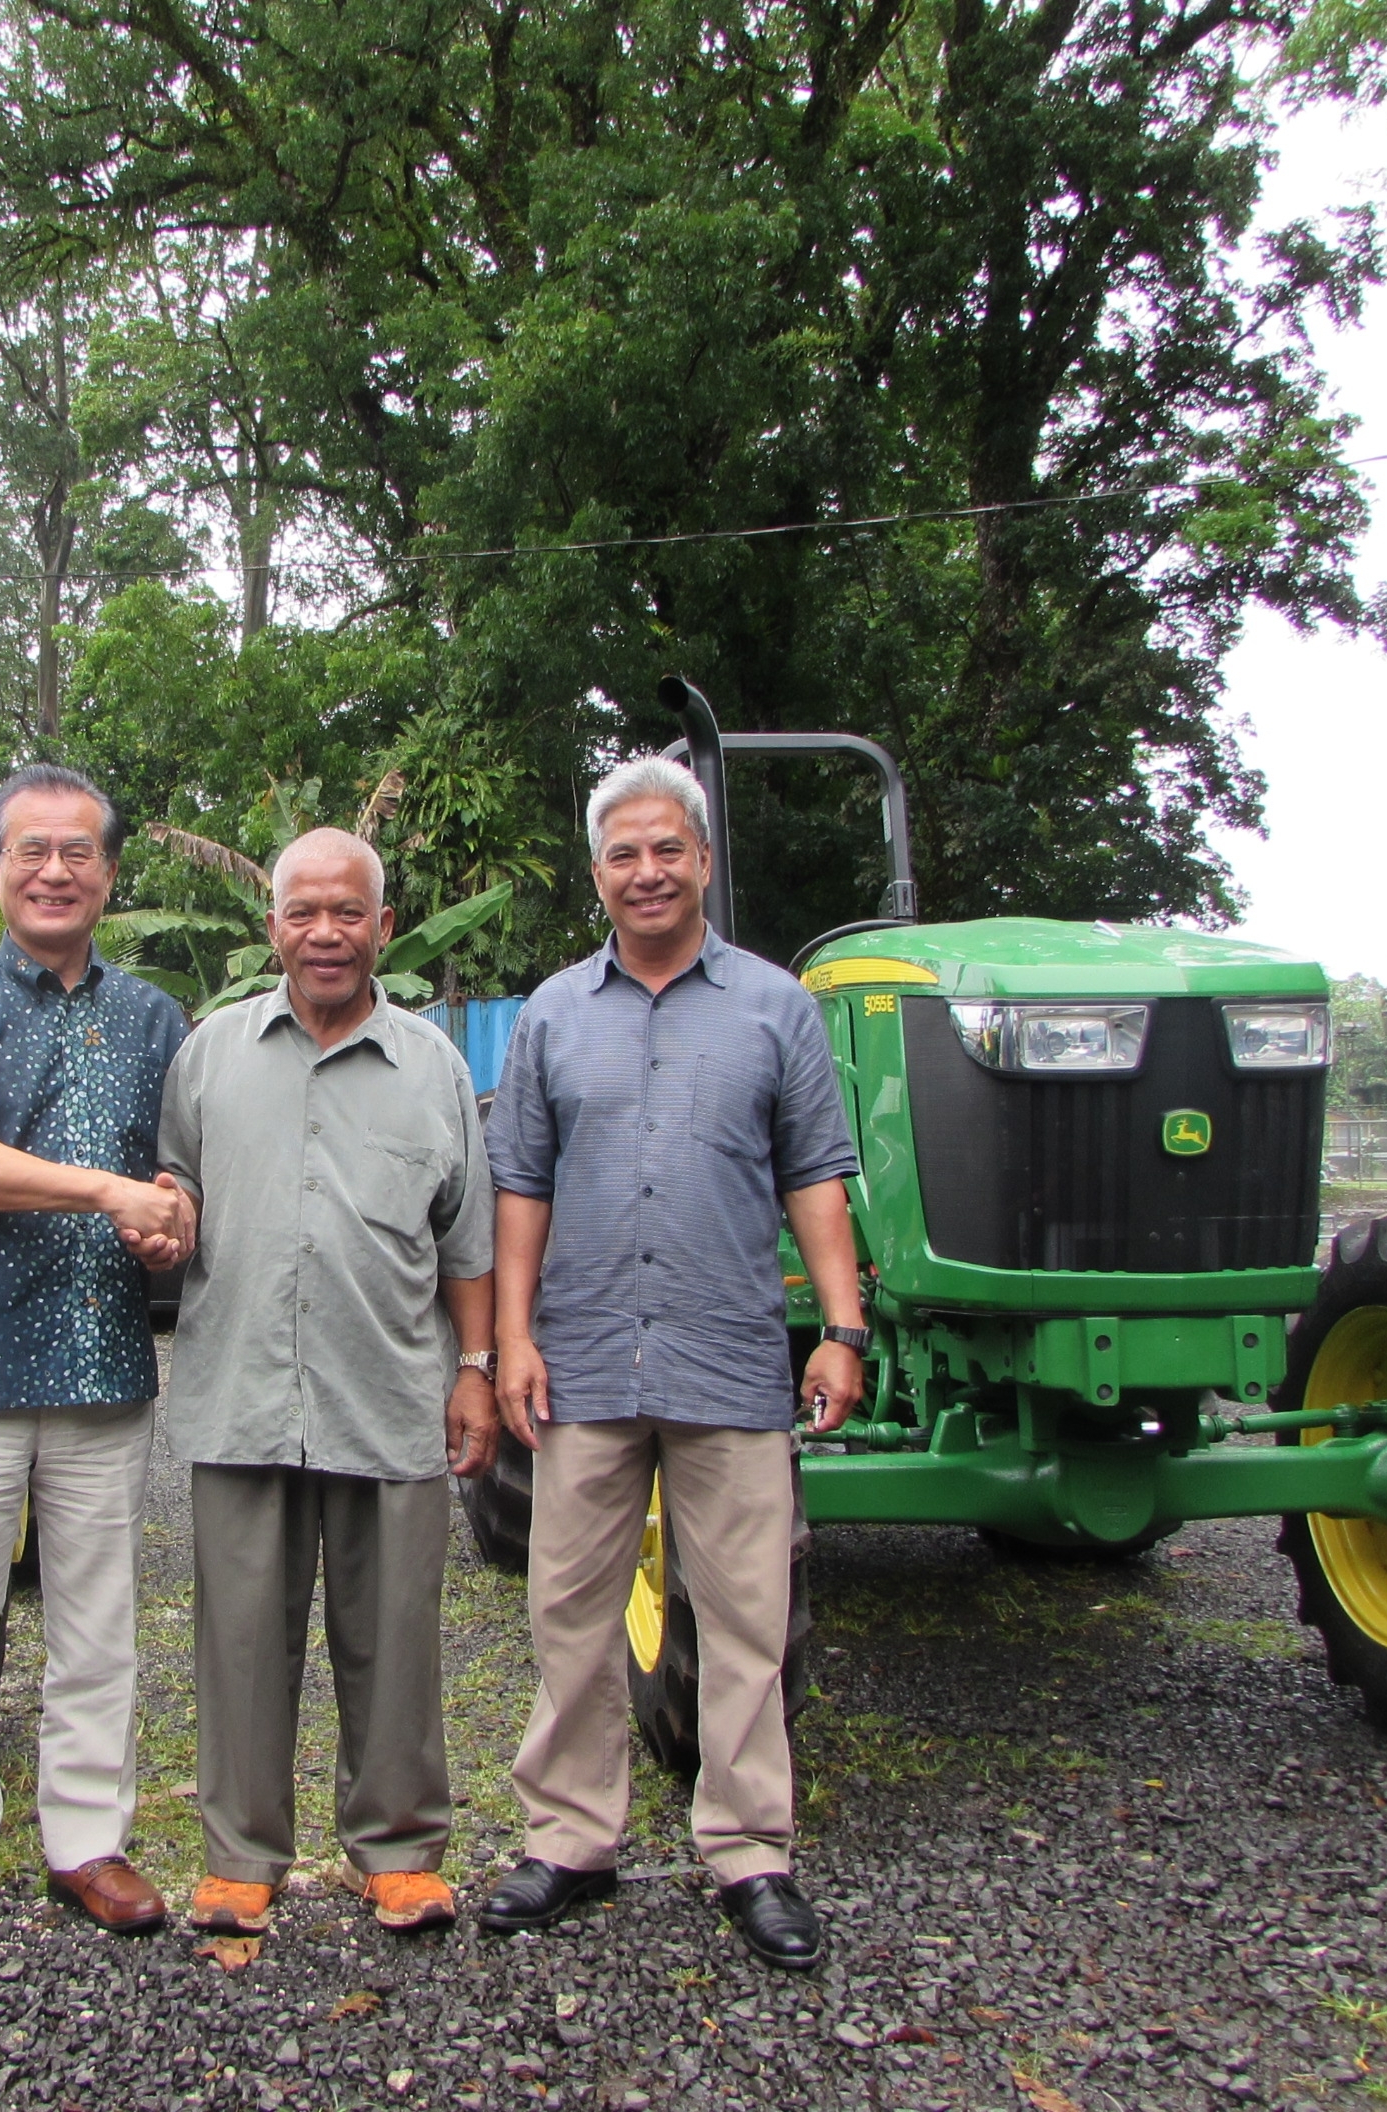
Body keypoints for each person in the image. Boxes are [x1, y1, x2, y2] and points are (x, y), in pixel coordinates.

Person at [480, 755, 866, 1971]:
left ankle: (749, 1851)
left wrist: (842, 1331)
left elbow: (814, 1176)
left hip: (728, 1352)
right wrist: (509, 1336)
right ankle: (571, 1842)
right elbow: (519, 1188)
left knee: (747, 1616)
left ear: (701, 859)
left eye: (666, 849)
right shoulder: (550, 1014)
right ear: (597, 872)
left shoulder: (773, 1006)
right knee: (567, 1612)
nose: (644, 871)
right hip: (584, 1359)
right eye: (620, 853)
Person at [0, 763, 197, 1964]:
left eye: (78, 853)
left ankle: (85, 1844)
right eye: (32, 851)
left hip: (106, 1373)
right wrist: (108, 1189)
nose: (55, 870)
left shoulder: (159, 1019)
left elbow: (185, 1163)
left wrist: (177, 1209)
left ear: (109, 877)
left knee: (98, 1630)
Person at [156, 829, 497, 1939]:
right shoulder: (208, 1055)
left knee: (395, 1634)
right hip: (242, 1390)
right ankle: (240, 1857)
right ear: (272, 930)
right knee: (241, 1640)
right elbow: (176, 1196)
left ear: (382, 929)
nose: (324, 933)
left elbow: (468, 1244)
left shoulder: (434, 1068)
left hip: (388, 1389)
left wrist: (477, 1370)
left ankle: (395, 1850)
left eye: (346, 913)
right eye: (301, 912)